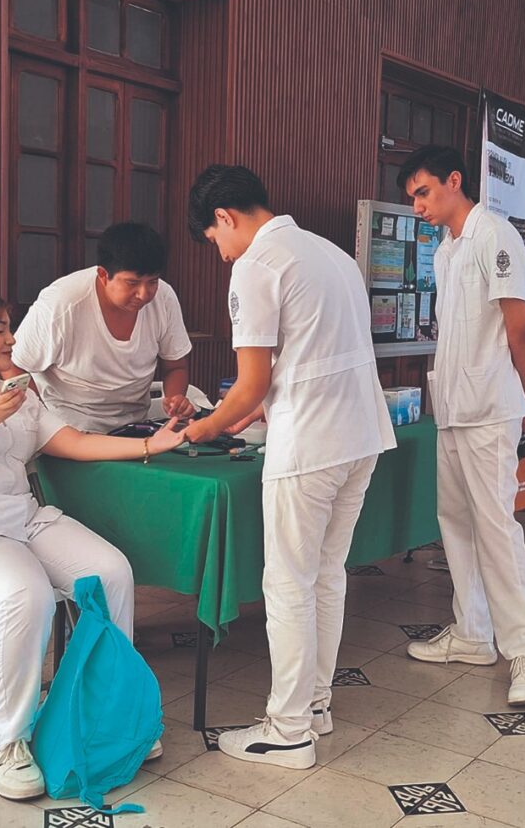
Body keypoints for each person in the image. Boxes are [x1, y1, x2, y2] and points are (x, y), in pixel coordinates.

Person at [0, 290, 185, 801]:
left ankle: (109, 716)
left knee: (110, 572)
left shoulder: (18, 391)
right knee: (31, 596)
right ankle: (7, 742)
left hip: (22, 519)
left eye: (9, 326)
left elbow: (73, 442)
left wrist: (152, 444)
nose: (12, 338)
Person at [183, 165, 396, 770]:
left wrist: (199, 427)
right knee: (327, 575)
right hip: (361, 436)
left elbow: (251, 385)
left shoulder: (257, 264)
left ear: (224, 218)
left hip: (311, 446)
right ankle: (316, 707)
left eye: (213, 241)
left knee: (288, 584)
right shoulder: (330, 252)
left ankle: (288, 730)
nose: (221, 254)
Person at [397, 145, 525, 706]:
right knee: (455, 521)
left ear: (454, 180)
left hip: (492, 408)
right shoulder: (446, 248)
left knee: (496, 527)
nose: (417, 206)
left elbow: (521, 326)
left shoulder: (494, 235)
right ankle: (472, 633)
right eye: (412, 197)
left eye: (423, 192)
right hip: (454, 407)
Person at [7, 221, 195, 433]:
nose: (144, 294)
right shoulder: (62, 302)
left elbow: (176, 366)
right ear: (103, 275)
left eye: (153, 281)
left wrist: (175, 398)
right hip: (70, 425)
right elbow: (13, 365)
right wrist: (43, 422)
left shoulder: (164, 297)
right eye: (132, 283)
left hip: (136, 426)